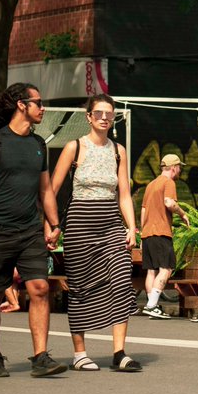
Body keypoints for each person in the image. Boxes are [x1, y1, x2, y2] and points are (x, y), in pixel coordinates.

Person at [0, 82, 66, 378]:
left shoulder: (38, 144)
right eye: (38, 102)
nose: (42, 107)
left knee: (40, 288)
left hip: (30, 231)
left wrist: (55, 224)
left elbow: (45, 189)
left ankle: (40, 357)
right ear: (22, 105)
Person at [49, 94, 141, 372]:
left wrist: (132, 227)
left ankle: (119, 353)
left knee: (122, 277)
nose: (104, 117)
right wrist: (51, 225)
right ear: (88, 116)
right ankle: (80, 353)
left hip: (111, 223)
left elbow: (124, 194)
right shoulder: (74, 147)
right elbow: (50, 191)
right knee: (79, 285)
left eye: (109, 113)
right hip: (80, 223)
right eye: (99, 113)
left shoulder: (119, 151)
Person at [139, 153, 189, 319]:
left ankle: (151, 305)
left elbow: (144, 210)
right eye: (179, 167)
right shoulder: (169, 182)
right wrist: (182, 213)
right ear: (174, 168)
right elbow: (169, 202)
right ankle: (152, 305)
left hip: (147, 233)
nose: (180, 170)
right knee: (166, 269)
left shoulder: (150, 185)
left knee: (151, 271)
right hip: (161, 232)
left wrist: (142, 232)